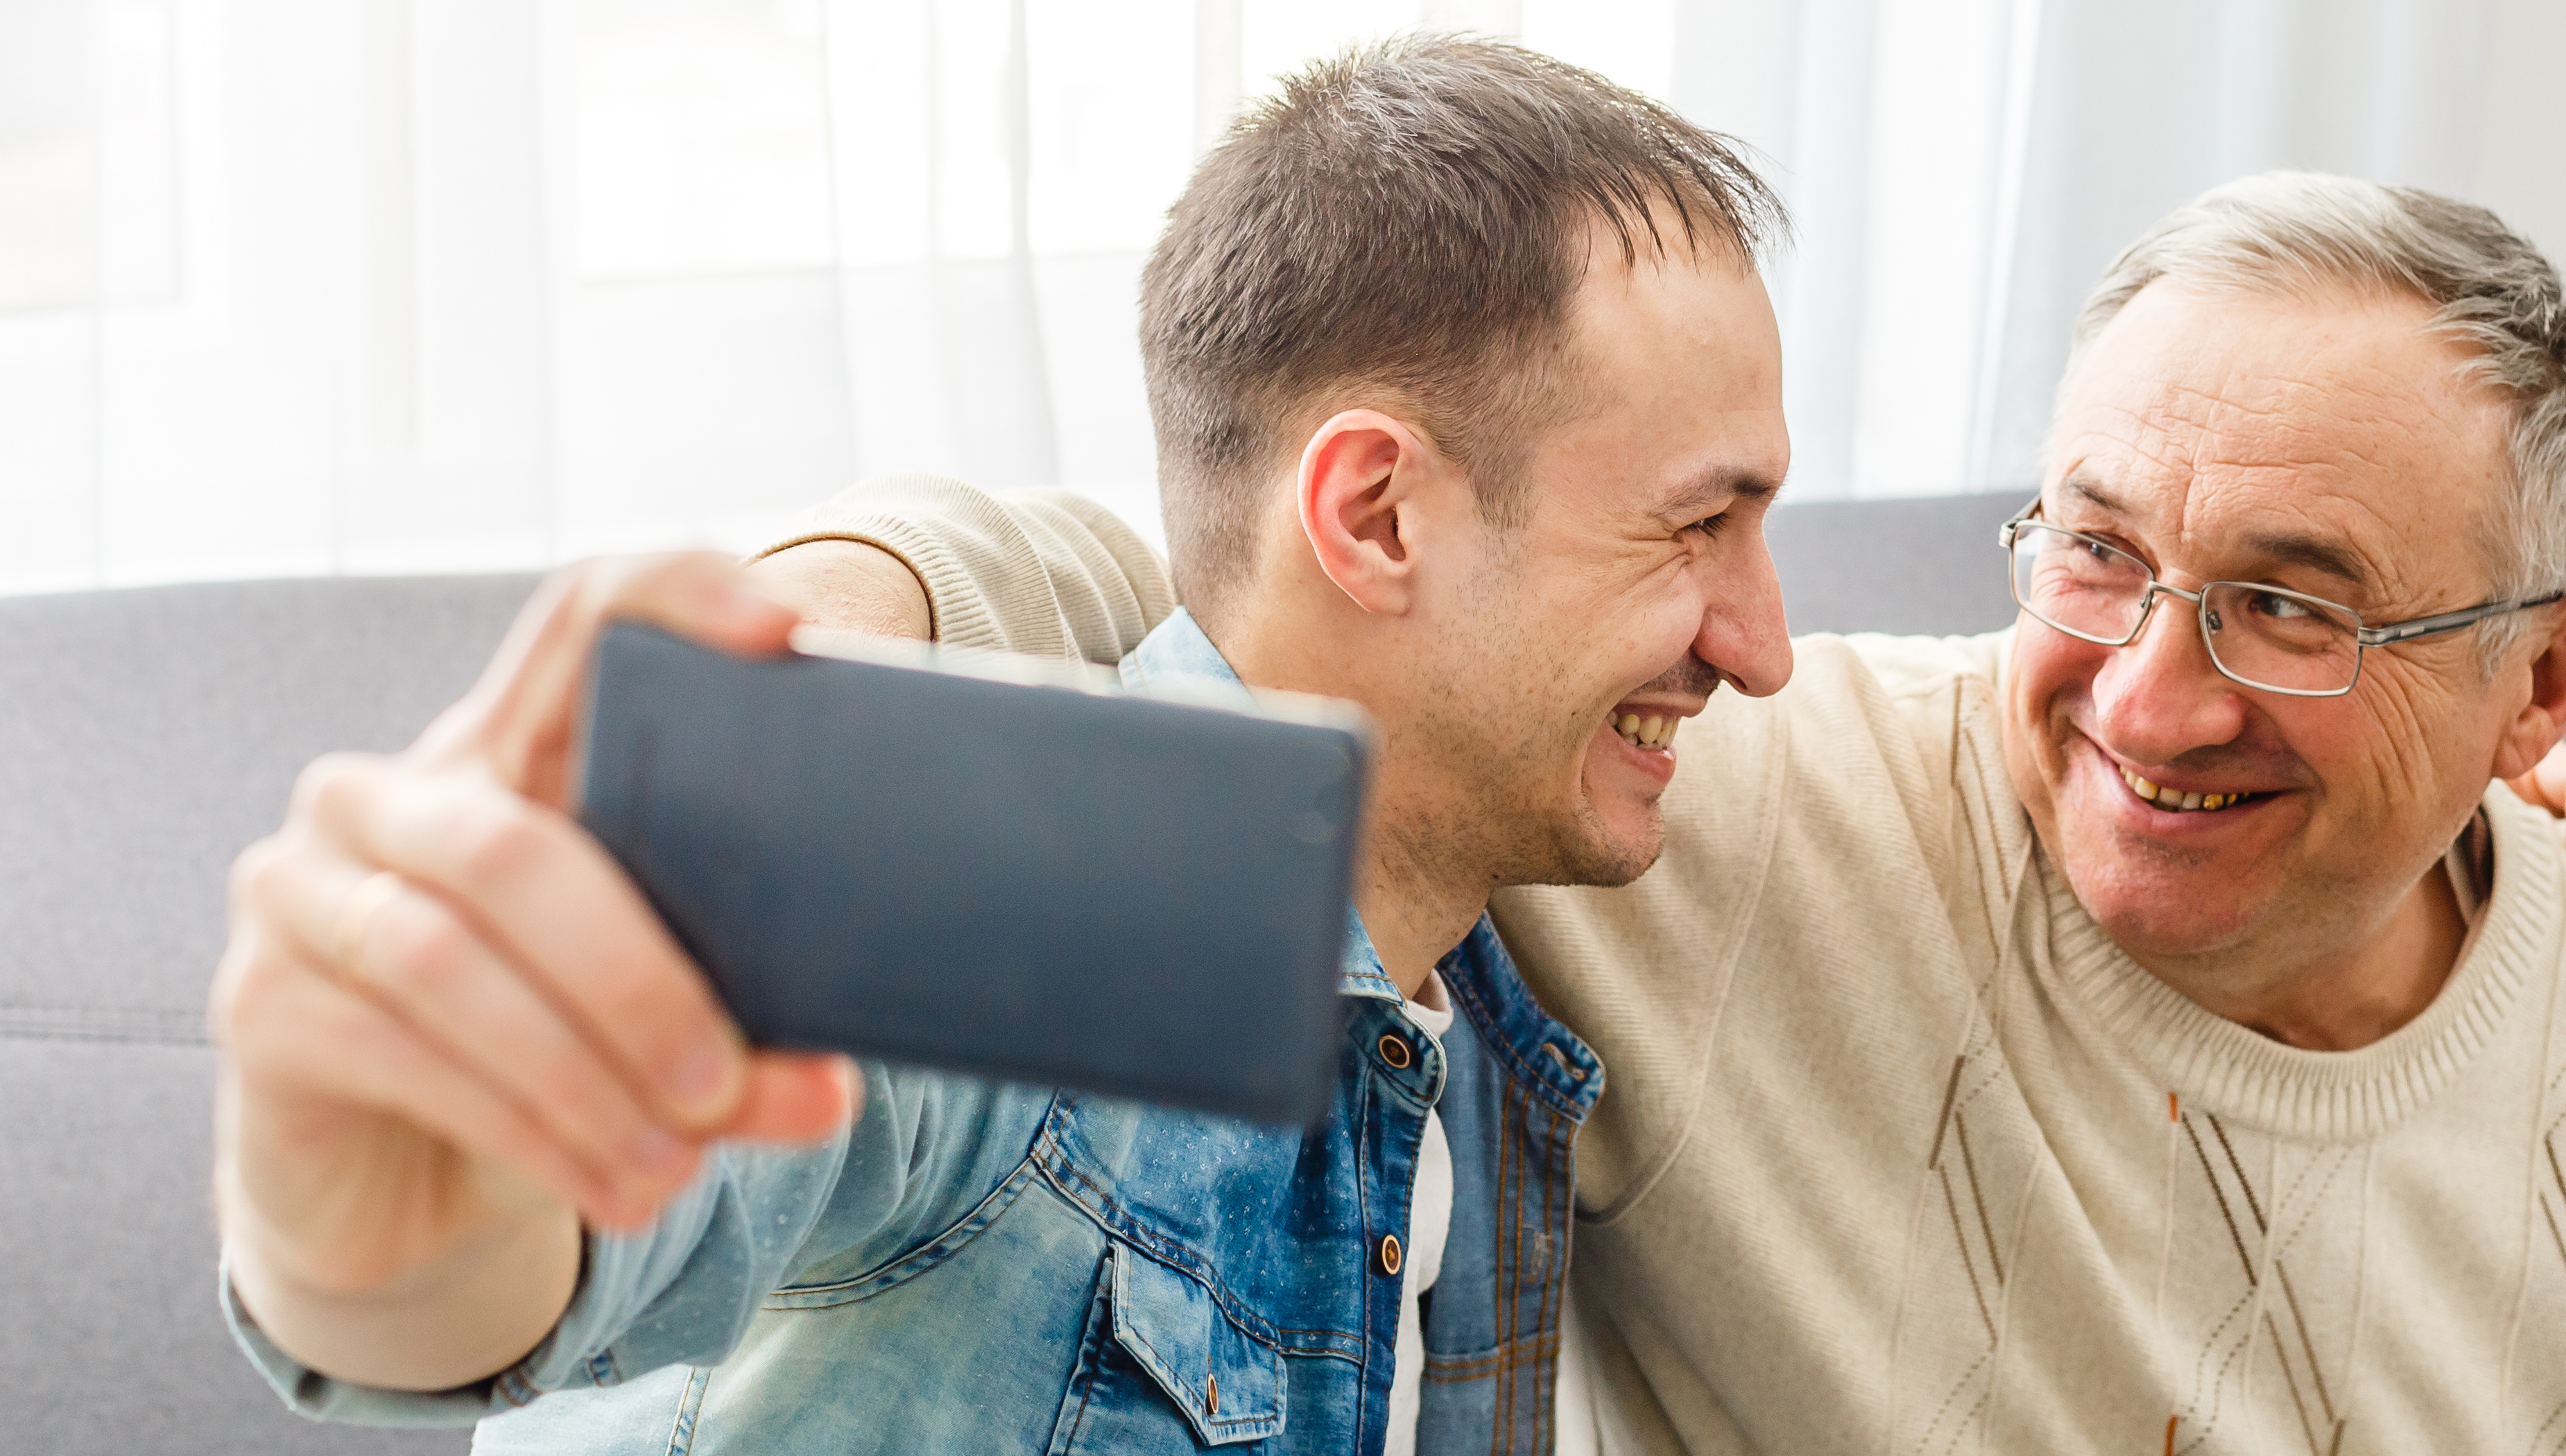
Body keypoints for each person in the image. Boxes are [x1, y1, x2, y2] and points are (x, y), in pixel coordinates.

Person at [793, 173, 2566, 1452]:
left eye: (2290, 605)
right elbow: (1254, 595)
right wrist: (823, 600)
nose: (2146, 693)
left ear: (2540, 679)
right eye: (2095, 548)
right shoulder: (1723, 805)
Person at [213, 37, 1793, 1454]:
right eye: (1696, 526)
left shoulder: (1484, 1037)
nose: (1763, 647)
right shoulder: (987, 913)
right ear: (1374, 516)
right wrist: (371, 1219)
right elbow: (521, 1267)